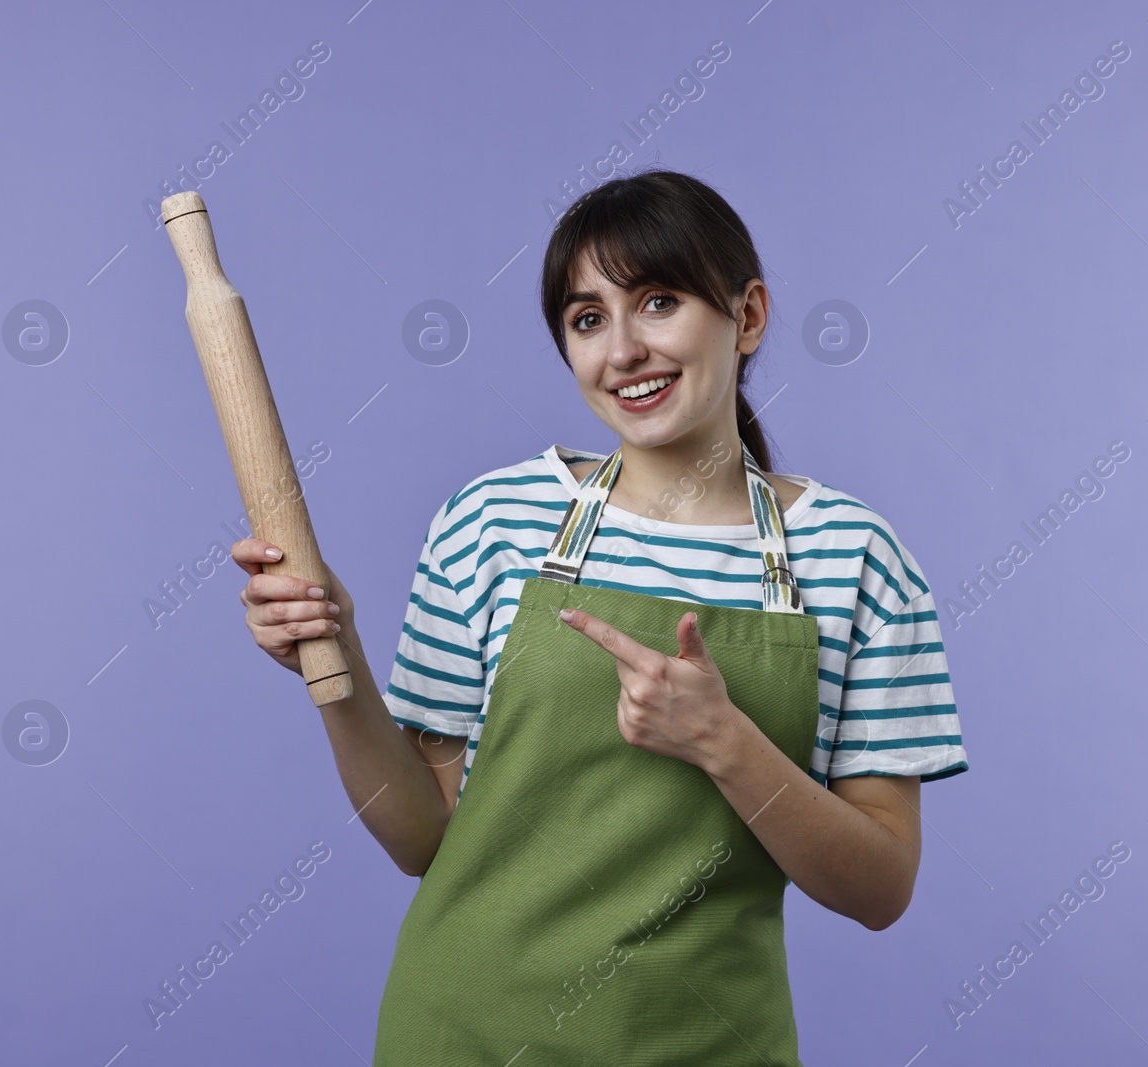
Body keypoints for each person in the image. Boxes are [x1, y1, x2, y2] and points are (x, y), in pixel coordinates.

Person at [230, 168, 969, 1064]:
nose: (621, 351)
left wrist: (723, 741)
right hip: (464, 1035)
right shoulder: (493, 522)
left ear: (749, 315)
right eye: (587, 320)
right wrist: (335, 659)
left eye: (658, 302)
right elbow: (425, 834)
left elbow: (880, 886)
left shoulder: (856, 558)